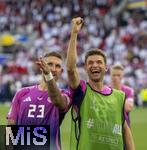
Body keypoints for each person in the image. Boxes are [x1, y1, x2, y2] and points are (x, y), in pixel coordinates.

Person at [66, 17, 135, 150]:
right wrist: (74, 33)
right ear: (85, 68)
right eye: (90, 63)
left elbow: (125, 128)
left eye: (99, 62)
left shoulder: (119, 96)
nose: (94, 65)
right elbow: (70, 68)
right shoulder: (82, 90)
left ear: (106, 68)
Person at [7, 51, 72, 150]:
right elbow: (11, 125)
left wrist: (48, 75)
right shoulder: (22, 93)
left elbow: (58, 101)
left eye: (58, 66)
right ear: (42, 66)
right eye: (50, 64)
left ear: (61, 71)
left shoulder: (65, 95)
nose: (53, 69)